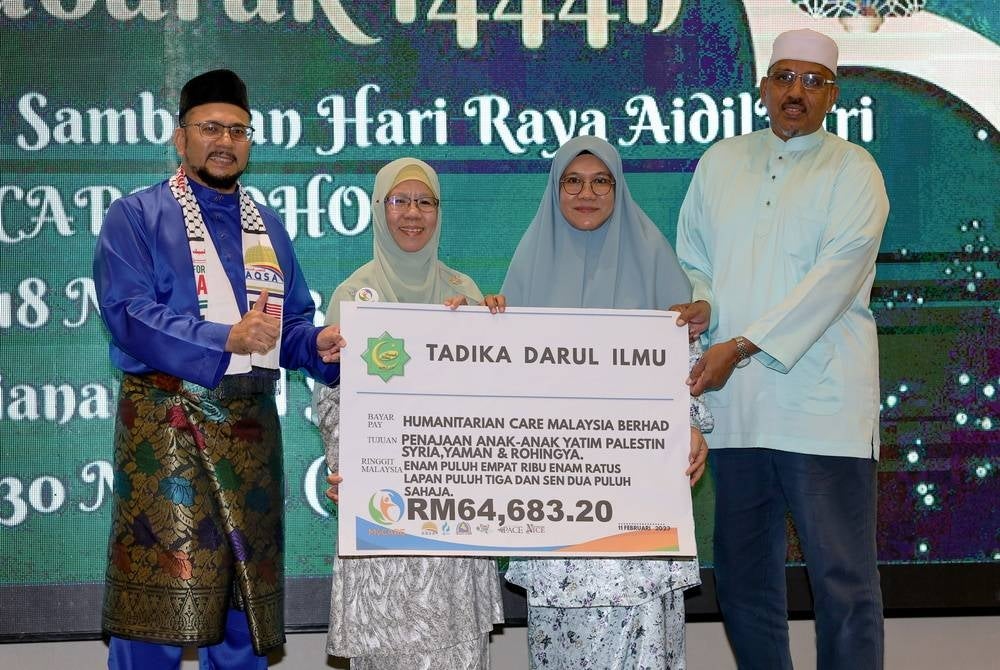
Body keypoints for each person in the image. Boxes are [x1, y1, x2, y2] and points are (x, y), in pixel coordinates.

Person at [93, 69, 345, 669]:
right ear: (181, 139)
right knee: (155, 611)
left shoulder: (269, 227)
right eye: (210, 128)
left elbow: (288, 327)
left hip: (252, 431)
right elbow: (128, 313)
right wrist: (222, 338)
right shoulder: (134, 217)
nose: (224, 141)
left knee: (242, 610)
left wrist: (319, 347)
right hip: (167, 427)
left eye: (237, 129)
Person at [673, 29, 889, 670]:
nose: (796, 92)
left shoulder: (854, 171)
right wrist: (704, 303)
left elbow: (833, 282)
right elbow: (694, 260)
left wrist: (739, 345)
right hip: (735, 411)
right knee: (743, 584)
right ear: (763, 86)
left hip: (821, 408)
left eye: (812, 82)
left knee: (842, 583)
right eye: (785, 78)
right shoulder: (720, 162)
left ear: (833, 95)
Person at [500, 135, 713, 669]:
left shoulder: (656, 261)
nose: (586, 193)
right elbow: (498, 387)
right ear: (555, 191)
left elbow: (685, 366)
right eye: (572, 181)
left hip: (640, 509)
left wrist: (689, 427)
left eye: (601, 182)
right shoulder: (526, 269)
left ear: (619, 191)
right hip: (556, 509)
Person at [314, 157, 505, 669]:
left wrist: (495, 332)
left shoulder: (462, 292)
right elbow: (330, 400)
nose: (413, 214)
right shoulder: (353, 297)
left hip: (453, 526)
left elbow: (494, 399)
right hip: (386, 521)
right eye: (400, 202)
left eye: (426, 202)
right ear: (380, 210)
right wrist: (347, 463)